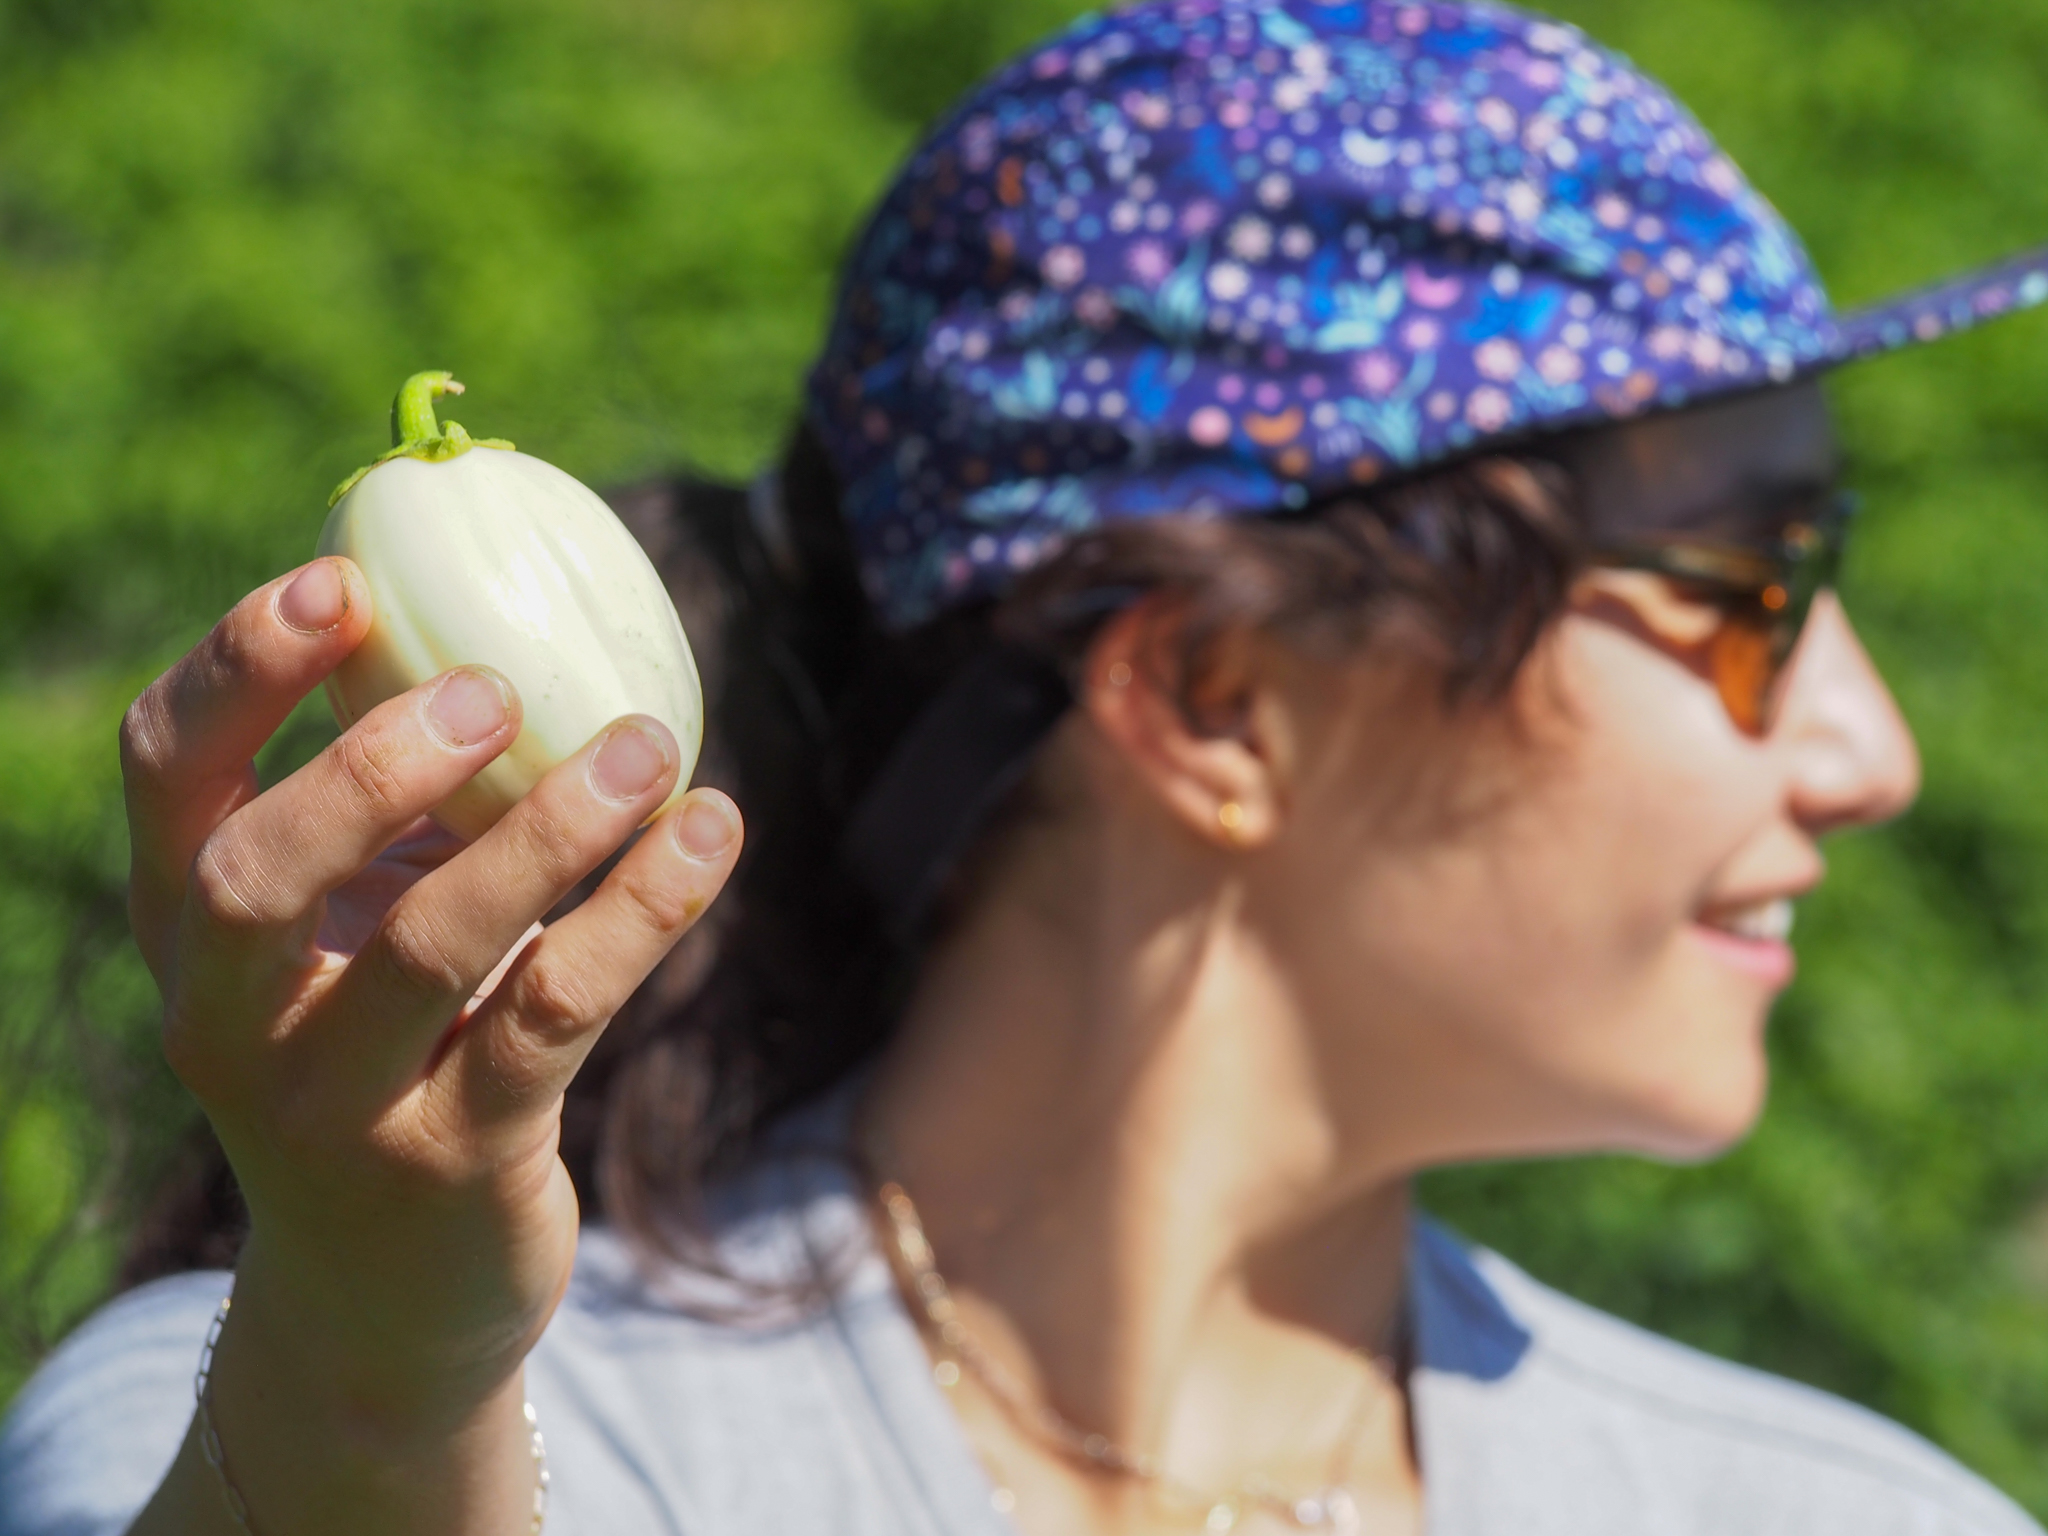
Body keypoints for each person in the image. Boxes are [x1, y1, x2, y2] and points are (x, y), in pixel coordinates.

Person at [3, 2, 2047, 1533]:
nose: (1872, 749)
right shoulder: (337, 1428)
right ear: (1218, 697)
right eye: (1747, 581)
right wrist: (372, 1387)